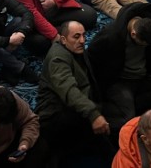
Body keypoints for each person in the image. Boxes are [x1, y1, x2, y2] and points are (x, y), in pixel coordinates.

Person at [87, 5, 151, 132]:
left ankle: (128, 103)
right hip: (120, 81)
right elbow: (92, 61)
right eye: (144, 44)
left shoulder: (150, 27)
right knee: (126, 119)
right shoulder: (110, 37)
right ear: (133, 34)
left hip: (142, 77)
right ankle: (111, 107)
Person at [36, 21, 115, 161]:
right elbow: (69, 90)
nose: (82, 41)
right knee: (105, 134)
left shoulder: (75, 49)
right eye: (76, 36)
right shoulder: (57, 58)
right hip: (56, 114)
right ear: (63, 39)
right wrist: (93, 114)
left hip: (75, 104)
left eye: (84, 35)